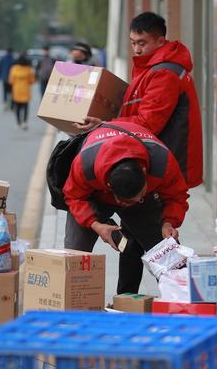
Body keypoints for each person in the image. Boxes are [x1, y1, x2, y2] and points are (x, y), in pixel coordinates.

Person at [76, 12, 203, 189]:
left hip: (165, 161)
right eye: (133, 42)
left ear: (160, 41)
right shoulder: (150, 68)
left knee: (159, 215)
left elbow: (148, 123)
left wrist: (104, 125)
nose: (136, 49)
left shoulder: (164, 74)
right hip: (157, 156)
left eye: (142, 43)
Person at [63, 120, 189, 294]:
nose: (136, 200)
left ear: (145, 173)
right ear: (109, 187)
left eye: (140, 194)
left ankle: (182, 301)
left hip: (143, 196)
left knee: (169, 254)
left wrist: (169, 222)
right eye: (128, 201)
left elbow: (177, 196)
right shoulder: (85, 165)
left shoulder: (162, 161)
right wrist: (96, 225)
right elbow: (73, 196)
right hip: (93, 196)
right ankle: (73, 307)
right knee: (74, 251)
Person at [8, 52, 36, 130]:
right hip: (26, 91)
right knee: (25, 108)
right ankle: (24, 122)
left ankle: (18, 123)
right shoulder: (29, 69)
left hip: (16, 91)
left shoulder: (14, 69)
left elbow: (11, 81)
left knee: (17, 108)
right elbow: (32, 80)